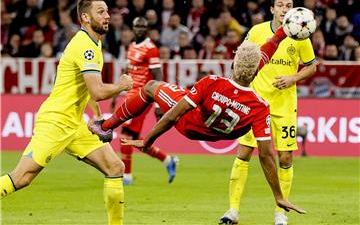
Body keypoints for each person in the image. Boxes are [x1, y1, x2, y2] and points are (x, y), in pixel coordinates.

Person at [89, 26, 307, 223]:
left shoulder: (212, 83)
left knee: (150, 87)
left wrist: (148, 140)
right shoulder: (260, 106)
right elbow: (267, 155)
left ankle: (105, 126)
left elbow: (173, 116)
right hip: (218, 132)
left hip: (189, 122)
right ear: (258, 69)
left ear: (233, 62)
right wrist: (278, 196)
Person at [0, 0, 133, 225]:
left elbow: (88, 90)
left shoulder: (94, 42)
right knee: (22, 178)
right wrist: (121, 86)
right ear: (85, 17)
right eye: (101, 11)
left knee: (115, 166)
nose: (107, 16)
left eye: (107, 11)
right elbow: (98, 90)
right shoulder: (85, 47)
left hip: (74, 123)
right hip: (55, 122)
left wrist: (98, 116)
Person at [222, 0, 317, 225]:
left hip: (285, 105)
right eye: (281, 5)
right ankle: (232, 211)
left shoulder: (301, 36)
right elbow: (241, 59)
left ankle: (280, 213)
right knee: (244, 153)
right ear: (273, 9)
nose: (285, 9)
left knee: (285, 157)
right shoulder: (257, 32)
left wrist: (293, 78)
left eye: (289, 5)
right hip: (255, 104)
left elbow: (312, 67)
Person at [111, 16, 178, 185]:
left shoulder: (151, 49)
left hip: (143, 97)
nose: (140, 29)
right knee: (133, 138)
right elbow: (128, 72)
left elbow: (158, 76)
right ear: (133, 28)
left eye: (143, 26)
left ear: (147, 29)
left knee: (126, 134)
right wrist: (115, 95)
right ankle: (167, 160)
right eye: (137, 26)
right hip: (129, 95)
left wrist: (158, 103)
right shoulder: (132, 46)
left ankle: (126, 176)